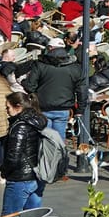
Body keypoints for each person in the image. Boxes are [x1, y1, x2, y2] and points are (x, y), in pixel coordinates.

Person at [20, 38, 82, 174]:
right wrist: (80, 109)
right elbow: (81, 89)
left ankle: (45, 167)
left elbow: (30, 86)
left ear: (49, 48)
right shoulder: (74, 66)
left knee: (44, 139)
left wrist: (27, 85)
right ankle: (60, 170)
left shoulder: (40, 64)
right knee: (59, 140)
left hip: (44, 107)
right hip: (64, 108)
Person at [0, 91, 48, 217]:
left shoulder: (20, 126)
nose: (6, 111)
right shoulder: (37, 121)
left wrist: (4, 171)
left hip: (20, 178)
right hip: (36, 176)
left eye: (8, 107)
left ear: (18, 106)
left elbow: (13, 156)